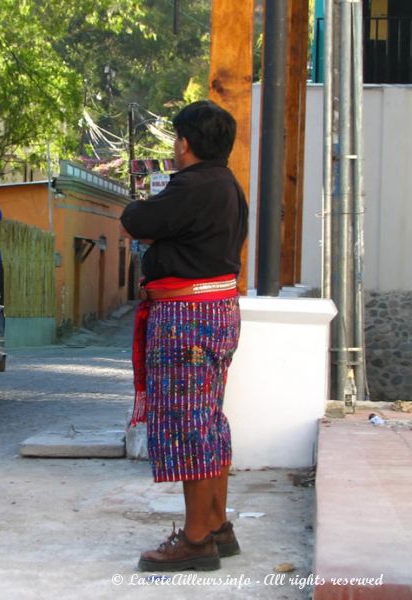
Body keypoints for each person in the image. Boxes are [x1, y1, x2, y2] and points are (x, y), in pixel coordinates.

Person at [119, 100, 249, 573]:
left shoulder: (192, 185)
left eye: (176, 139)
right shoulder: (230, 187)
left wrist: (154, 228)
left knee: (190, 424)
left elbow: (136, 220)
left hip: (186, 317)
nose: (174, 147)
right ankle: (216, 525)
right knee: (209, 419)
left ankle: (196, 540)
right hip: (218, 310)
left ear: (185, 143)